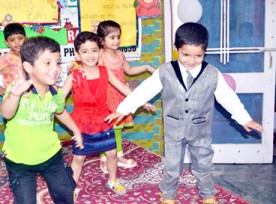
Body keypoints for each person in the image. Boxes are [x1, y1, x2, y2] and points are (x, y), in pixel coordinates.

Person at [105, 22, 264, 204]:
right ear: (176, 49)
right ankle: (168, 194)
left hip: (200, 130)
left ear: (205, 51)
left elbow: (227, 97)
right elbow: (144, 91)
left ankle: (207, 194)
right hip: (174, 129)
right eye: (185, 54)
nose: (191, 60)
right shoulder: (164, 71)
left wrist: (244, 118)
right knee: (172, 166)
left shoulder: (213, 74)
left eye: (198, 56)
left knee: (204, 165)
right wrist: (123, 109)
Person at [62, 31, 154, 196]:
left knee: (112, 154)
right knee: (78, 158)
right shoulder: (74, 76)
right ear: (77, 54)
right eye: (85, 51)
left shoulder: (105, 72)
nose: (90, 55)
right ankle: (71, 188)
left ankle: (112, 181)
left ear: (100, 51)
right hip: (82, 123)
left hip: (104, 119)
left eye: (94, 50)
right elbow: (59, 100)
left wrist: (142, 102)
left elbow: (124, 88)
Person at [0, 36, 84, 204]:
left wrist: (76, 130)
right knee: (25, 201)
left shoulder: (55, 93)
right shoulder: (19, 91)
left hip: (50, 154)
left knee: (65, 192)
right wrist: (15, 96)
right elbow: (7, 114)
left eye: (58, 63)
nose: (55, 69)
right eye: (47, 63)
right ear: (28, 67)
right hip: (19, 159)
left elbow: (60, 112)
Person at [97, 20, 155, 173]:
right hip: (105, 98)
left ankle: (118, 156)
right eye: (112, 37)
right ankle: (105, 159)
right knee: (107, 130)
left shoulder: (120, 54)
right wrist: (141, 101)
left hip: (120, 96)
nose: (116, 40)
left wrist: (147, 67)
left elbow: (129, 71)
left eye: (118, 37)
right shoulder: (100, 57)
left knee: (117, 129)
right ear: (102, 41)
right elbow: (116, 83)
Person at [0, 23, 26, 95]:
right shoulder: (5, 59)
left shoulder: (32, 56)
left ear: (25, 38)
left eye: (20, 38)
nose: (17, 42)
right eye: (12, 40)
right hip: (12, 96)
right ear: (6, 43)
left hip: (31, 97)